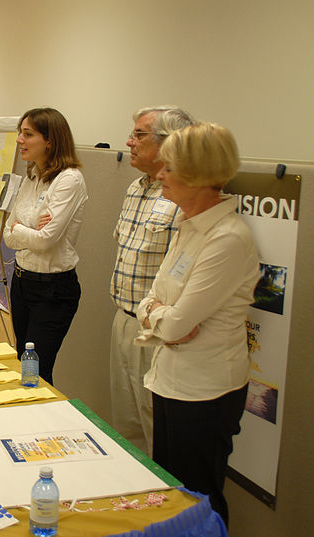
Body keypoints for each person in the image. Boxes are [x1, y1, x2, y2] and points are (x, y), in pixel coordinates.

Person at [135, 122, 259, 527]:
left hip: (206, 390)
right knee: (172, 493)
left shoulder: (227, 238)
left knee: (201, 502)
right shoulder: (188, 225)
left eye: (168, 168)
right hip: (169, 378)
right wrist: (159, 314)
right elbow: (151, 302)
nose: (159, 175)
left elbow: (173, 325)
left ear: (199, 175)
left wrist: (160, 317)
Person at [109, 106, 195, 455]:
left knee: (156, 428)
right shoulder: (135, 189)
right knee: (126, 425)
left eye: (140, 135)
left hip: (159, 332)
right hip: (123, 320)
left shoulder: (184, 197)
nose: (129, 142)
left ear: (170, 142)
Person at [3, 108, 87, 385]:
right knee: (23, 364)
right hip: (22, 282)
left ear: (50, 140)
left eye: (28, 134)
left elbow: (46, 240)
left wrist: (20, 229)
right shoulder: (32, 176)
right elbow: (8, 235)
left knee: (36, 372)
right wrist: (26, 230)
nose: (19, 140)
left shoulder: (69, 180)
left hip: (52, 290)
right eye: (20, 133)